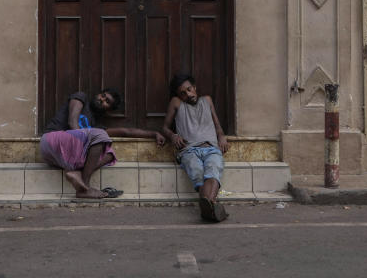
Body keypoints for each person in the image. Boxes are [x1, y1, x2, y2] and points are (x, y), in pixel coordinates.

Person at [40, 88, 165, 199]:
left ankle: (78, 178)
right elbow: (73, 123)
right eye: (103, 95)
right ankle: (85, 187)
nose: (102, 99)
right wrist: (87, 141)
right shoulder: (80, 97)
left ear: (108, 110)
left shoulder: (95, 125)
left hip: (62, 156)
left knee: (109, 154)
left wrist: (154, 134)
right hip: (51, 140)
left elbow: (126, 131)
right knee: (100, 135)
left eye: (107, 102)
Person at [162, 74, 230, 222]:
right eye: (183, 93)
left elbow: (217, 125)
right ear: (179, 95)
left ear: (194, 87)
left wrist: (222, 136)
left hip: (211, 148)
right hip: (189, 150)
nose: (188, 94)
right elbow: (165, 128)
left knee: (213, 170)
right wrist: (173, 136)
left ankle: (208, 209)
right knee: (197, 173)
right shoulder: (177, 103)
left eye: (189, 89)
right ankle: (212, 208)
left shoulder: (207, 100)